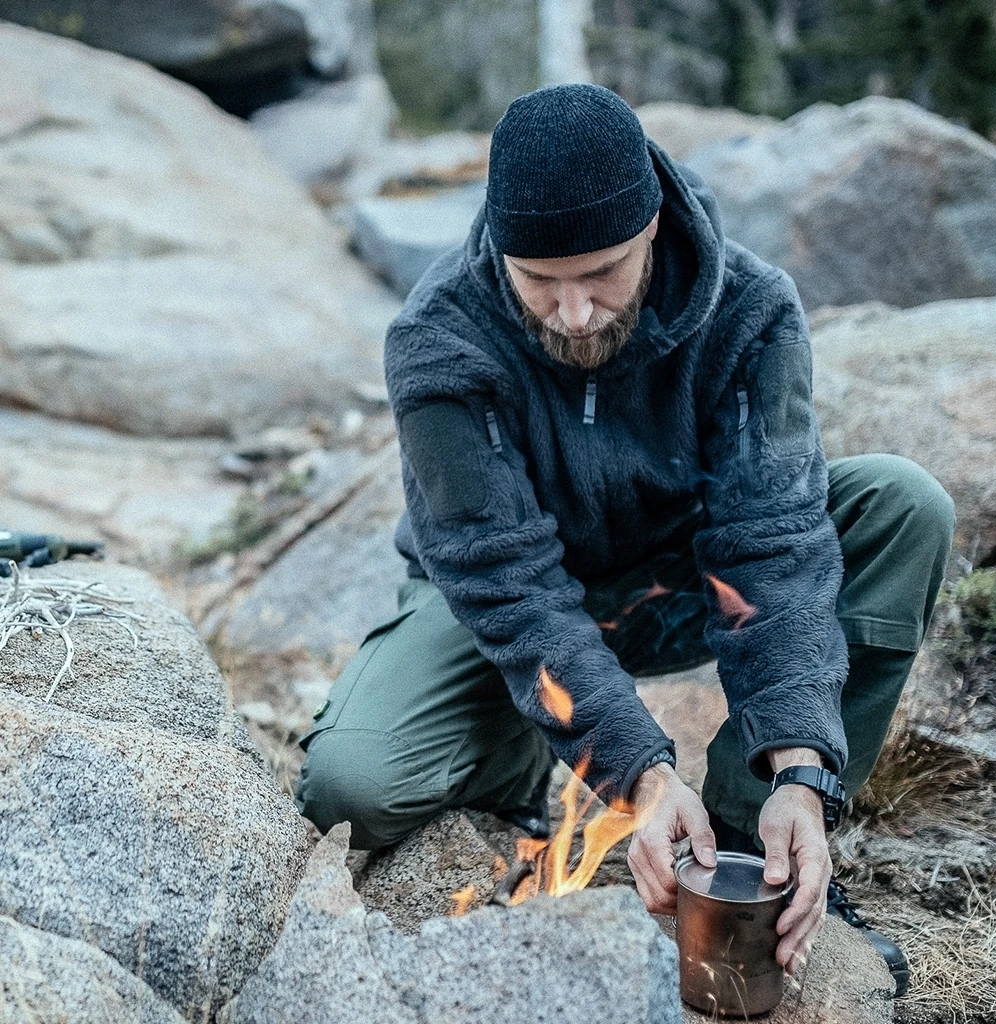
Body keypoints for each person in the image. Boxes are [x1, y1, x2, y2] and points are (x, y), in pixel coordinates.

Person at [295, 84, 954, 993]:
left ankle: (746, 839)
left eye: (601, 272)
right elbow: (507, 581)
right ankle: (527, 750)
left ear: (653, 226)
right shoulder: (439, 339)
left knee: (902, 504)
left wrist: (800, 767)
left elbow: (773, 548)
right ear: (500, 249)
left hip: (684, 582)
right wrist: (636, 771)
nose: (572, 313)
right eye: (540, 281)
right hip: (500, 602)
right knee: (349, 785)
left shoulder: (751, 313)